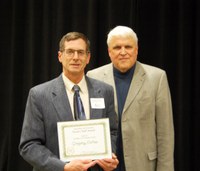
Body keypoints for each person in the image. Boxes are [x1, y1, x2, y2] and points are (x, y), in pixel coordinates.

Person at [19, 32, 119, 171]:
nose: (76, 57)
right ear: (60, 56)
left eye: (81, 52)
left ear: (88, 57)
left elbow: (112, 132)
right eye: (70, 52)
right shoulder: (39, 95)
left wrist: (108, 155)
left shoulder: (105, 91)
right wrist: (63, 167)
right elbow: (29, 145)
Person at [87, 26, 174, 171]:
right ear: (109, 51)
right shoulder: (93, 77)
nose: (123, 52)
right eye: (117, 47)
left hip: (143, 164)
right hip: (105, 165)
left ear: (136, 49)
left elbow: (165, 133)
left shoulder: (157, 77)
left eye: (128, 46)